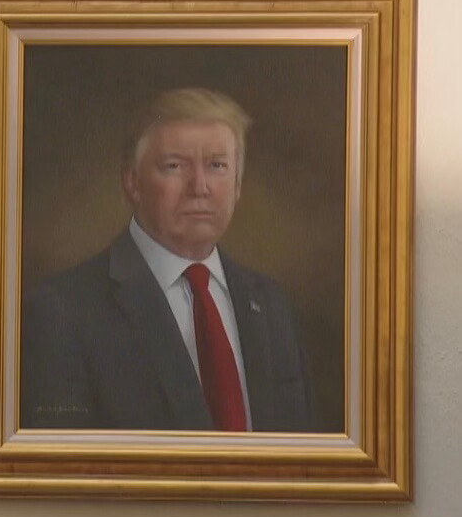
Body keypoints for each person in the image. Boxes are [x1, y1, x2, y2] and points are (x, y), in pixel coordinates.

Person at [21, 88, 315, 432]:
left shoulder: (271, 304)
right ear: (132, 182)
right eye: (175, 166)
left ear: (237, 185)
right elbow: (60, 461)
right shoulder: (62, 313)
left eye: (217, 165)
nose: (200, 187)